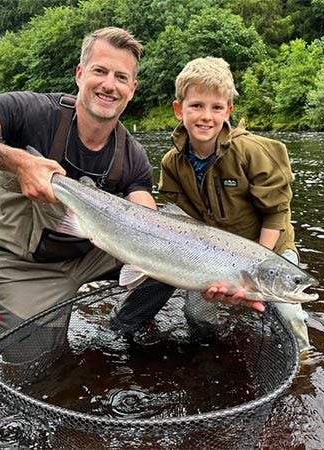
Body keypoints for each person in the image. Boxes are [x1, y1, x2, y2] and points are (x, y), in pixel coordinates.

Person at [0, 28, 263, 364]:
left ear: (132, 88)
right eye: (100, 71)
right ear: (79, 74)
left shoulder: (132, 154)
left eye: (121, 77)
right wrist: (19, 161)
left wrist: (222, 276)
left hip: (94, 252)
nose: (110, 85)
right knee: (38, 370)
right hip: (25, 264)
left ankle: (118, 330)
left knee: (173, 260)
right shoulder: (31, 112)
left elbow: (153, 228)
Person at [110, 56, 310, 352]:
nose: (207, 116)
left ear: (228, 111)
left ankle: (302, 360)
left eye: (217, 108)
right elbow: (185, 224)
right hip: (211, 254)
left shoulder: (253, 152)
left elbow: (276, 213)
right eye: (197, 106)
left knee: (289, 311)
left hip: (270, 251)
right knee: (197, 312)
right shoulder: (172, 163)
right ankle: (208, 349)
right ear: (179, 110)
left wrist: (255, 268)